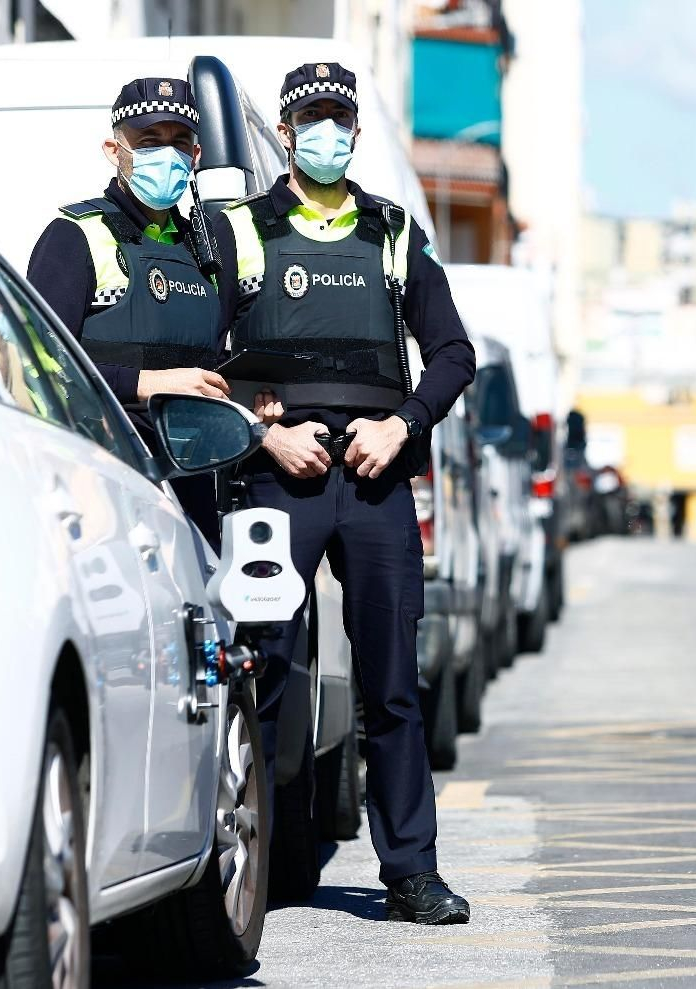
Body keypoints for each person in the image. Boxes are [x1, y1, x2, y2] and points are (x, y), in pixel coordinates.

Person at [219, 62, 476, 924]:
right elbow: (201, 359)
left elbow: (452, 353)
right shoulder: (239, 233)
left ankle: (412, 872)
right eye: (311, 119)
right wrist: (262, 434)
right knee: (261, 679)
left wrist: (403, 425)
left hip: (376, 478)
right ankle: (254, 859)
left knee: (393, 686)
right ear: (285, 134)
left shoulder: (394, 232)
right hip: (279, 473)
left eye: (340, 118)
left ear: (354, 134)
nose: (326, 132)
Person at [25, 76, 275, 544]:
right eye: (149, 141)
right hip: (104, 477)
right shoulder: (76, 235)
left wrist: (255, 392)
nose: (167, 153)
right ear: (113, 149)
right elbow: (38, 362)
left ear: (197, 157)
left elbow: (213, 362)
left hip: (194, 480)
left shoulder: (208, 249)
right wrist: (146, 384)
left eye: (180, 141)